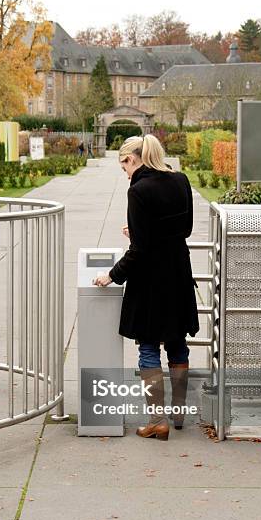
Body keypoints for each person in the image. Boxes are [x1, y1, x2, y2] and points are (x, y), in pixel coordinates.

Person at [93, 134, 199, 441]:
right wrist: (142, 232)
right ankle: (179, 413)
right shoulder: (181, 180)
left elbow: (140, 250)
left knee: (149, 346)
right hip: (178, 273)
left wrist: (111, 276)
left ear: (132, 159)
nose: (124, 172)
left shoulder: (138, 190)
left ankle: (157, 421)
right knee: (177, 342)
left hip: (151, 281)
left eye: (123, 165)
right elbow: (184, 229)